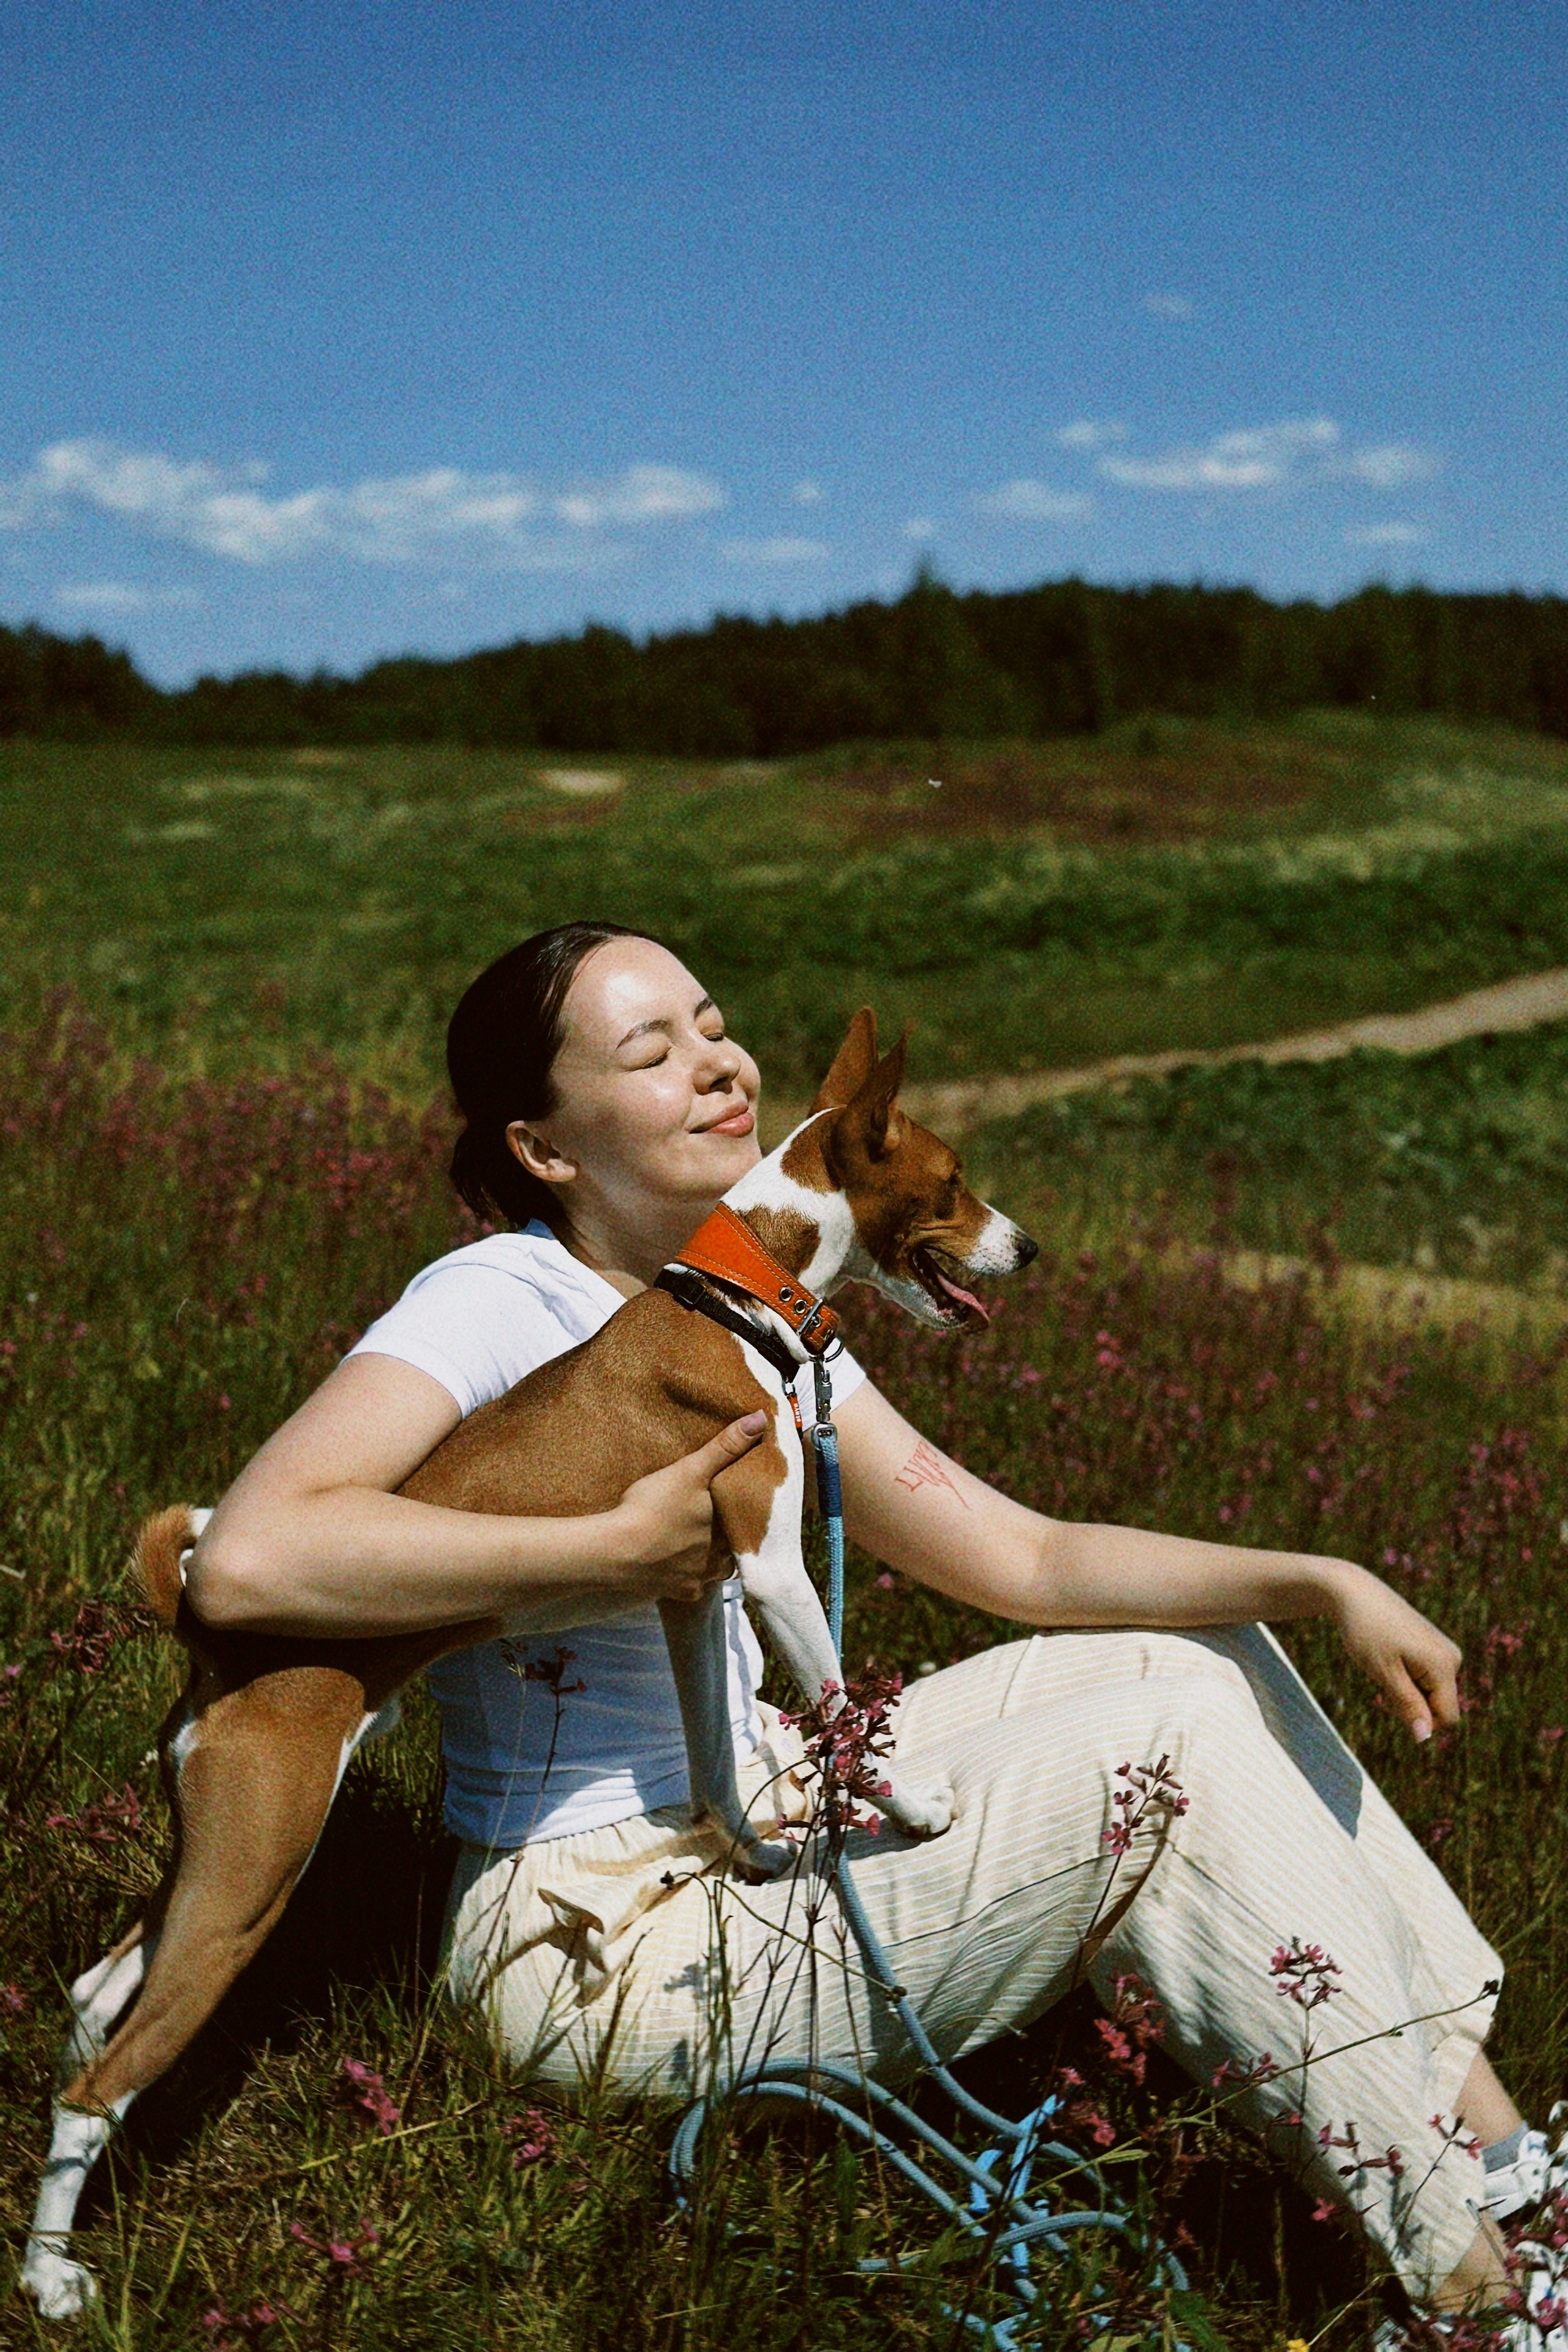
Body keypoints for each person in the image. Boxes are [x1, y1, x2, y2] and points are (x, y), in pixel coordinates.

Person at [189, 919, 1562, 2323]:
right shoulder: (498, 1298)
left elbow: (1021, 1554)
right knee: (1161, 1743)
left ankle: (1508, 2172)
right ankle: (1476, 2288)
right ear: (543, 1148)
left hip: (760, 1806)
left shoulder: (765, 1313)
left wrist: (1317, 1577)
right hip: (599, 1940)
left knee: (1191, 1655)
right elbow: (248, 1557)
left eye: (713, 1025)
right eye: (650, 1052)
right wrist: (603, 1548)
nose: (716, 1065)